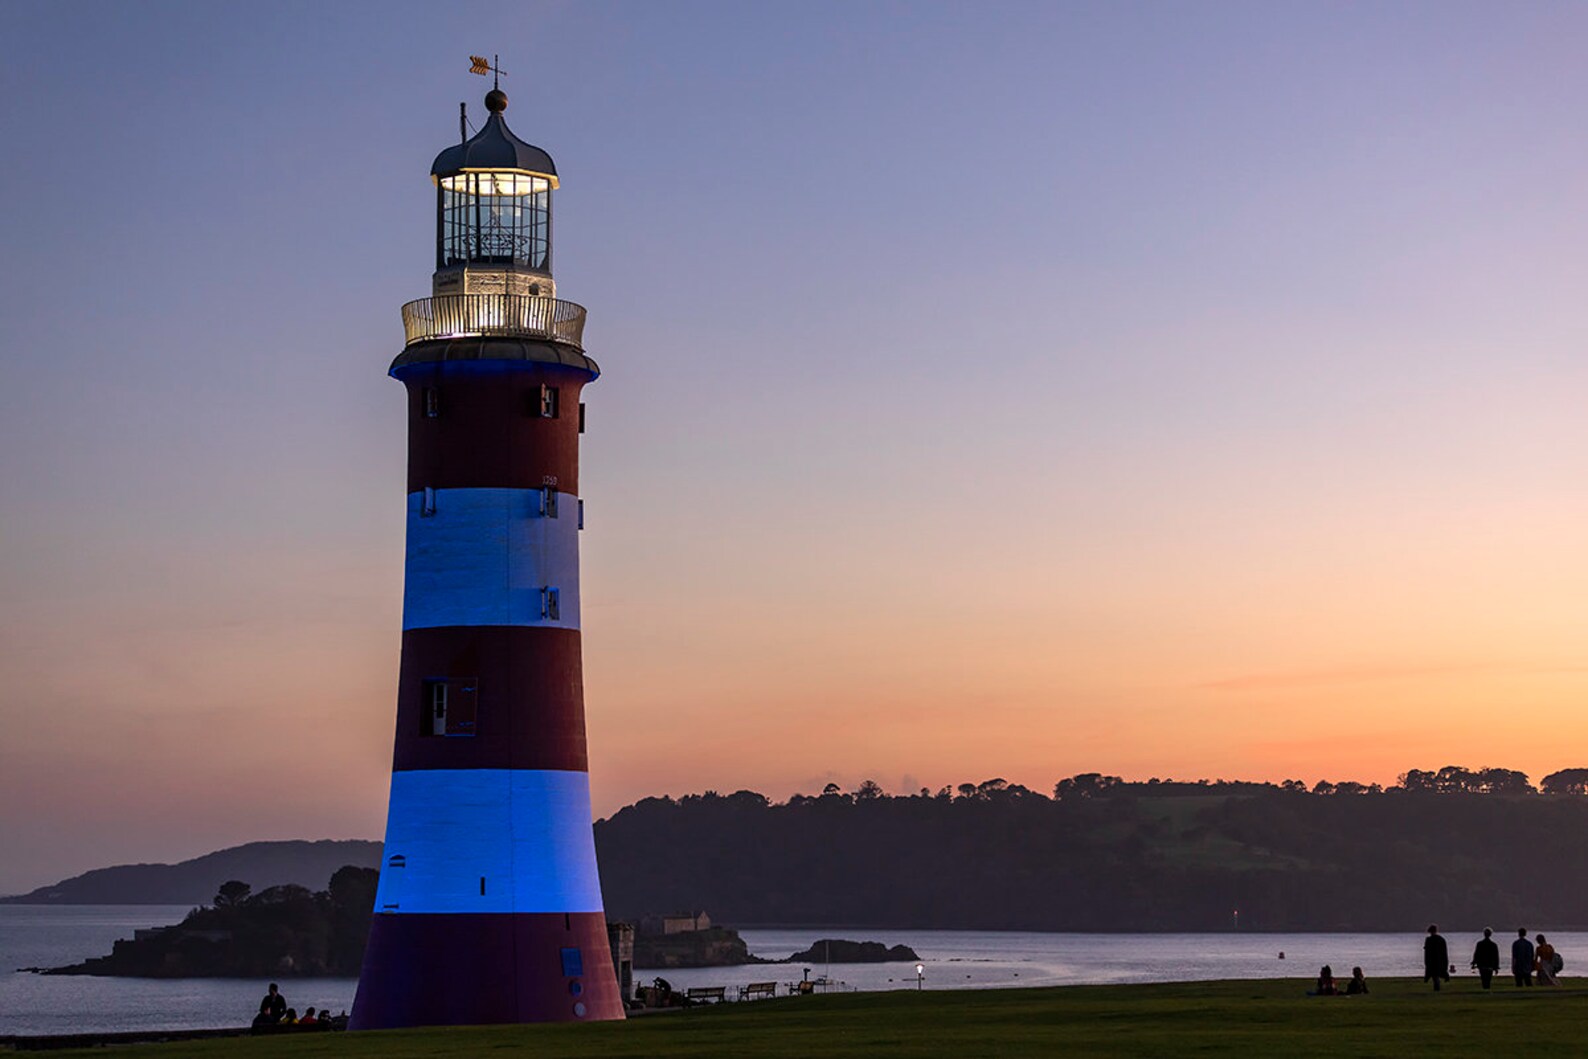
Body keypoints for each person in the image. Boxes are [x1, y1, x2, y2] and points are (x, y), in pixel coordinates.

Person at [1424, 924, 1450, 991]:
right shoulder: (1441, 939)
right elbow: (1444, 952)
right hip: (1439, 960)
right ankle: (1437, 987)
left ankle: (1437, 988)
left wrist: (1427, 962)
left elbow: (1427, 953)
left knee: (1434, 975)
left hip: (1432, 961)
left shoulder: (1429, 940)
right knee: (1437, 974)